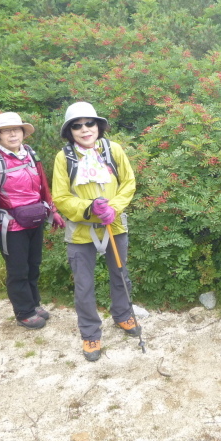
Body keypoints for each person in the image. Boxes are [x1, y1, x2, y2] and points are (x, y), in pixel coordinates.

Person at [52, 102, 138, 362]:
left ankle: (123, 315)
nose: (84, 129)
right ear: (70, 131)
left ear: (98, 126)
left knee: (120, 274)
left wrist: (113, 207)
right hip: (80, 232)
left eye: (89, 123)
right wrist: (90, 209)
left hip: (115, 225)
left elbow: (129, 183)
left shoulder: (114, 150)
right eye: (77, 126)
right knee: (84, 285)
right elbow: (61, 197)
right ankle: (90, 333)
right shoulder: (64, 158)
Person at [0, 112, 64, 329]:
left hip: (35, 219)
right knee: (18, 270)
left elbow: (43, 185)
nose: (13, 133)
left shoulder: (31, 154)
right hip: (10, 225)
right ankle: (24, 312)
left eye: (17, 129)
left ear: (23, 133)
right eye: (6, 130)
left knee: (33, 265)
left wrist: (53, 210)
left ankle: (33, 304)